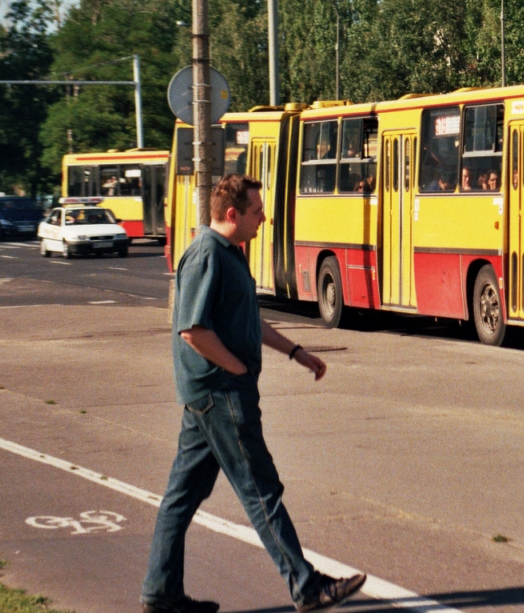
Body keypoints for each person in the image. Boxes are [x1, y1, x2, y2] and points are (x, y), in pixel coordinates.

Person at [142, 175, 366, 613]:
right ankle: (306, 586)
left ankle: (160, 592)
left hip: (210, 395)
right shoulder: (208, 254)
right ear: (232, 214)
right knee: (261, 490)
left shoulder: (230, 254)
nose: (264, 217)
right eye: (257, 210)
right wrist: (238, 369)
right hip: (221, 394)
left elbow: (246, 322)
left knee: (182, 496)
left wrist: (296, 352)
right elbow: (193, 330)